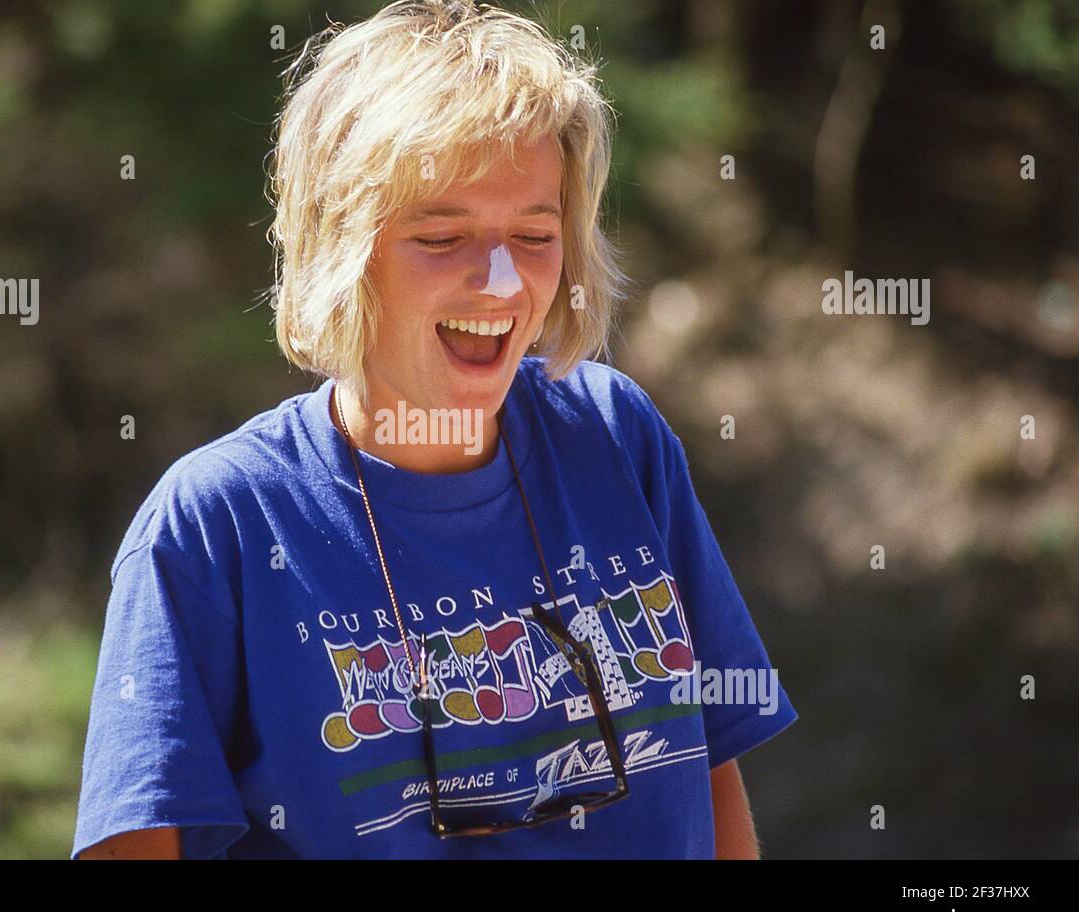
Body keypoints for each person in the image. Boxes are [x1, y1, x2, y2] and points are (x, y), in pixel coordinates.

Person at [72, 0, 797, 860]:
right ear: (339, 244)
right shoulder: (215, 525)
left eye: (534, 233)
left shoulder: (615, 436)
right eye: (442, 234)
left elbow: (711, 773)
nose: (499, 282)